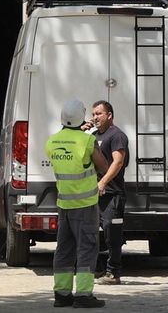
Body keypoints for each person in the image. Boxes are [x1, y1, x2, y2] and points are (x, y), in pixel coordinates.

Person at [47, 99, 111, 309]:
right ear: (81, 118)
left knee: (64, 250)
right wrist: (84, 135)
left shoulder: (52, 141)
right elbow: (102, 166)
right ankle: (83, 295)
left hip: (64, 205)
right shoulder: (86, 141)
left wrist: (76, 131)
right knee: (87, 249)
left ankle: (62, 294)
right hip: (85, 205)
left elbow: (67, 146)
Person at [91, 100, 130, 286]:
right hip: (95, 195)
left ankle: (113, 273)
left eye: (99, 113)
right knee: (92, 233)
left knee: (112, 235)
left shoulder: (117, 136)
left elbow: (118, 161)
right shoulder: (92, 135)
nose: (95, 117)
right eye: (93, 114)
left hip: (113, 194)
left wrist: (103, 182)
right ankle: (98, 268)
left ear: (109, 115)